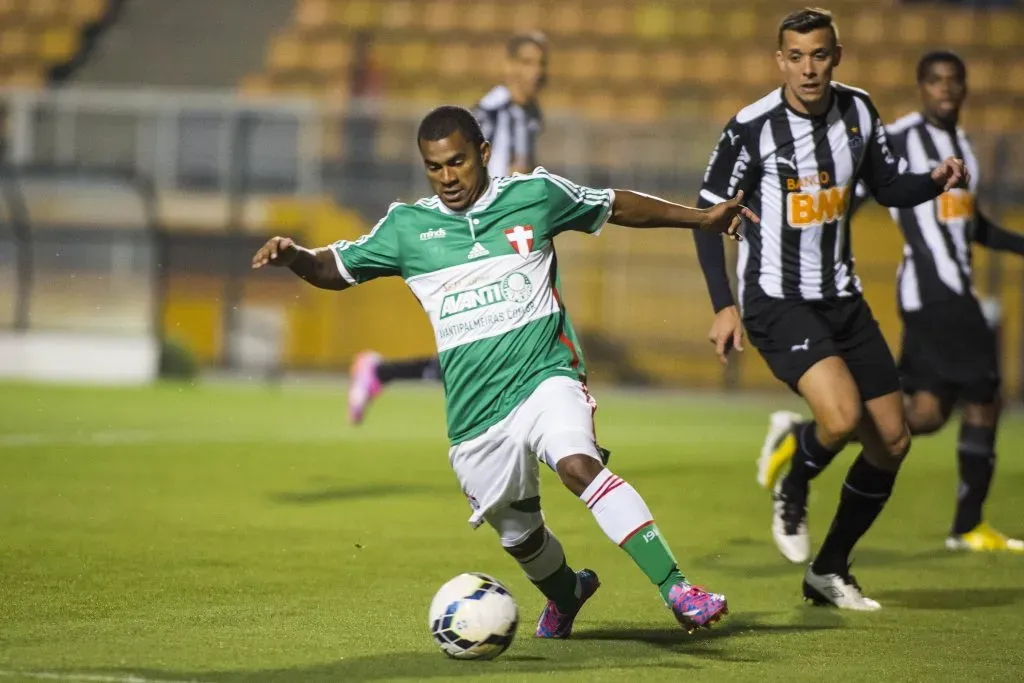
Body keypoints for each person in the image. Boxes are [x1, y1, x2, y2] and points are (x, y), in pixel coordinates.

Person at [253, 105, 754, 634]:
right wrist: (297, 257)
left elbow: (617, 205)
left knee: (578, 466)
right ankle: (568, 593)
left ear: (483, 154)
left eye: (458, 162)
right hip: (475, 414)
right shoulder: (408, 228)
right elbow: (336, 267)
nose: (447, 177)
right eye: (435, 167)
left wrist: (701, 218)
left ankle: (678, 588)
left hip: (545, 376)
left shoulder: (533, 197)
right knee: (520, 535)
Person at [693, 8, 968, 610]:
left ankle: (829, 570)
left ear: (836, 56)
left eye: (819, 55)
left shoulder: (860, 111)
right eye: (796, 56)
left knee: (892, 443)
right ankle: (794, 480)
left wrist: (934, 180)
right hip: (777, 299)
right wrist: (724, 305)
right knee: (842, 420)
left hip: (843, 297)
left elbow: (887, 186)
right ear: (780, 60)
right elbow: (708, 214)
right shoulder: (751, 127)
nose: (808, 68)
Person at [767, 51, 1023, 553]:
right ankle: (968, 526)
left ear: (966, 88)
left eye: (955, 81)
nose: (946, 90)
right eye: (935, 81)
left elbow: (971, 226)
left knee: (922, 415)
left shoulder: (961, 146)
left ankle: (809, 434)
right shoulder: (903, 136)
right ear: (921, 87)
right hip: (935, 293)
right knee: (985, 398)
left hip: (952, 292)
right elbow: (852, 190)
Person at [347, 32, 550, 425]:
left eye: (541, 64)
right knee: (488, 347)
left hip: (508, 236)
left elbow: (522, 176)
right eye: (526, 62)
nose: (535, 72)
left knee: (490, 347)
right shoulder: (489, 114)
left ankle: (381, 373)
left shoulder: (530, 115)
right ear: (508, 66)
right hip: (478, 237)